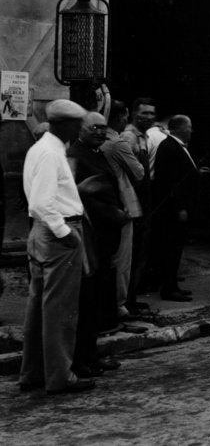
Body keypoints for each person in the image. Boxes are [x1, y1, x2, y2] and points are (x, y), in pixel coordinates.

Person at [18, 99, 96, 395]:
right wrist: (66, 233)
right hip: (57, 232)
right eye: (77, 125)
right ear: (64, 124)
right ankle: (60, 376)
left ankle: (34, 372)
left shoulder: (41, 149)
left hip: (41, 232)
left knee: (39, 307)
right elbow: (42, 203)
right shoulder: (51, 153)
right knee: (60, 309)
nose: (79, 130)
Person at [67, 112, 128, 376]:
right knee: (88, 301)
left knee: (97, 300)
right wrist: (113, 213)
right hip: (91, 236)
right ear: (80, 129)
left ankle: (91, 354)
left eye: (103, 128)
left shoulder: (97, 152)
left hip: (105, 236)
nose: (100, 132)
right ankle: (83, 358)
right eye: (94, 127)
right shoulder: (75, 155)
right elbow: (78, 198)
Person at [101, 100, 144, 317]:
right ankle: (120, 304)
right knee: (123, 258)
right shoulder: (118, 143)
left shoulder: (100, 140)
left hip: (104, 203)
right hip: (123, 203)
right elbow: (139, 172)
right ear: (120, 117)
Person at [151, 115, 199, 302]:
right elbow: (169, 182)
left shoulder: (177, 146)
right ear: (179, 128)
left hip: (181, 207)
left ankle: (173, 285)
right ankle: (169, 289)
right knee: (171, 249)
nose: (191, 131)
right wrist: (180, 207)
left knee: (176, 249)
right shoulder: (169, 147)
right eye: (189, 127)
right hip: (173, 210)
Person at [121, 97, 156, 310]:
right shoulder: (129, 137)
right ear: (134, 114)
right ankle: (127, 300)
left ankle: (132, 297)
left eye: (152, 113)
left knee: (140, 252)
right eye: (145, 113)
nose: (149, 117)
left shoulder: (144, 136)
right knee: (132, 254)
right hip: (134, 200)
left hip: (143, 201)